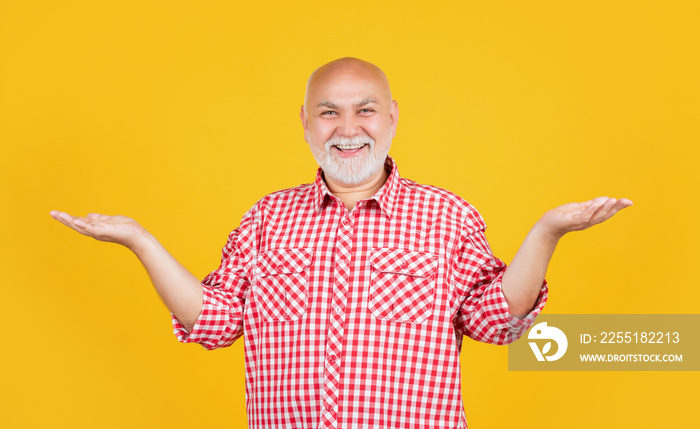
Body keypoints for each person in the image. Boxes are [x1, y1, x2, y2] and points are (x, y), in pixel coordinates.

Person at [50, 57, 632, 428]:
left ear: (393, 118)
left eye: (365, 110)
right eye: (329, 112)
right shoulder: (266, 219)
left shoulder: (447, 217)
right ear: (304, 120)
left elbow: (495, 320)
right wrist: (140, 241)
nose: (348, 129)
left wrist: (546, 232)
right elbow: (215, 324)